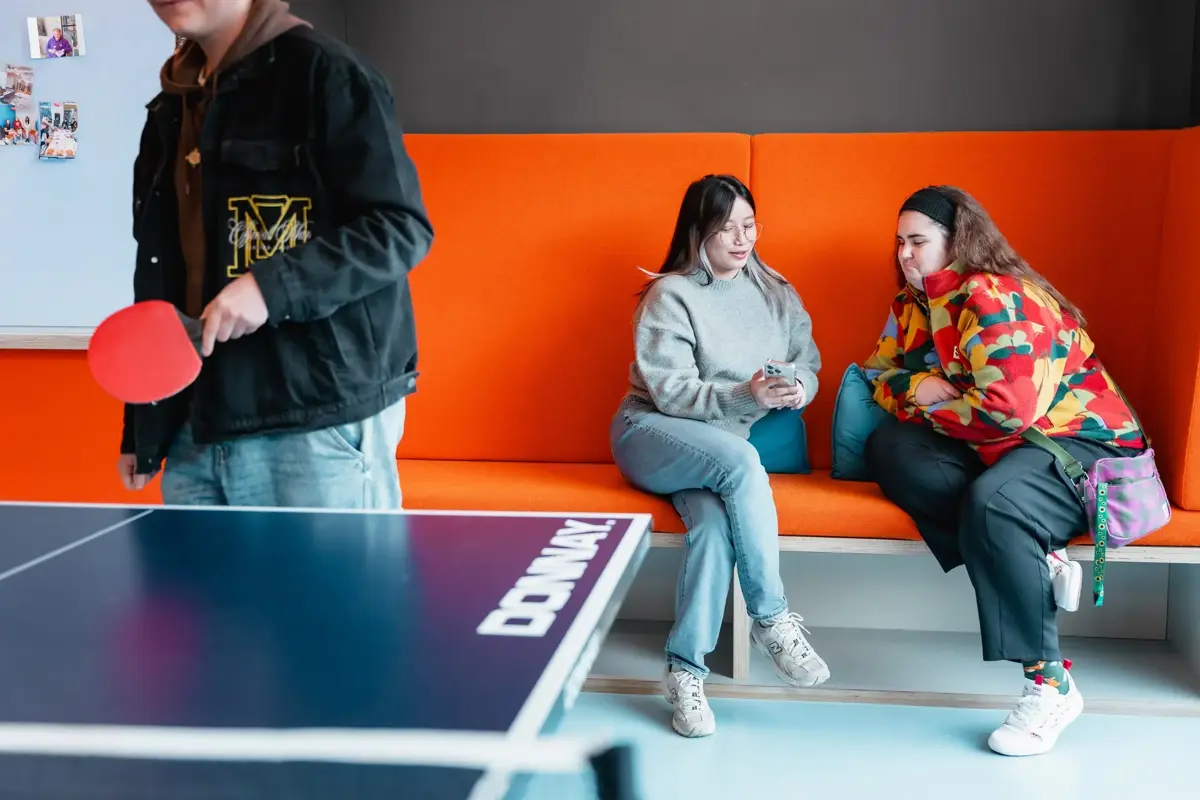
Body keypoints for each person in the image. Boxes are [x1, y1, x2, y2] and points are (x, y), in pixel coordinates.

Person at [863, 185, 1146, 757]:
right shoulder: (912, 306)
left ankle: (1049, 682)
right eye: (900, 243)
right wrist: (919, 385)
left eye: (918, 242)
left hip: (1085, 445)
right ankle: (1027, 545)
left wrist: (928, 401)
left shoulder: (996, 298)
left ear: (957, 242)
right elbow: (878, 374)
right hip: (1003, 450)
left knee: (995, 503)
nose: (905, 255)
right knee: (891, 448)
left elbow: (1008, 413)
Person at [119, 0, 432, 509]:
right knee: (213, 594)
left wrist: (272, 287)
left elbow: (400, 228)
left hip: (315, 424)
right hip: (194, 431)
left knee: (334, 594)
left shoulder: (328, 75)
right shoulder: (170, 108)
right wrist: (143, 422)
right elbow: (162, 273)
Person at [609, 174, 828, 738]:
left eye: (749, 226)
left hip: (724, 444)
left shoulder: (776, 291)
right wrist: (744, 395)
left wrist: (796, 388)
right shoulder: (671, 295)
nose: (740, 239)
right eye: (725, 228)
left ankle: (685, 672)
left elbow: (809, 361)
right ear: (697, 232)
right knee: (739, 463)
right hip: (652, 430)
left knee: (712, 527)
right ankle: (773, 618)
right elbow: (672, 393)